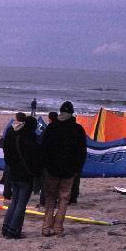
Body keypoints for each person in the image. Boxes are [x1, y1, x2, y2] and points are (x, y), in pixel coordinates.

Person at [39, 101, 86, 237]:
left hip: (52, 170)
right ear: (72, 113)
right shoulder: (78, 129)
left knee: (50, 199)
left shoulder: (52, 127)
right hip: (69, 171)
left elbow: (44, 148)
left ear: (60, 112)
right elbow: (82, 152)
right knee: (64, 199)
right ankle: (58, 228)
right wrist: (77, 169)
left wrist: (45, 166)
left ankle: (46, 227)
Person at [1, 114, 41, 239]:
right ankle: (14, 230)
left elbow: (6, 152)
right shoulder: (29, 138)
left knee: (14, 202)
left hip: (13, 172)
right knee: (21, 204)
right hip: (25, 175)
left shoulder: (12, 133)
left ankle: (6, 227)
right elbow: (33, 159)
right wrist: (35, 173)